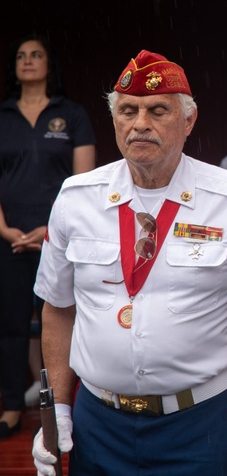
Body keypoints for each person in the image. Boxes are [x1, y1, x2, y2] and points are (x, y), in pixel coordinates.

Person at [31, 50, 227, 476]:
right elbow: (58, 308)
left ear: (188, 121)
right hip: (98, 422)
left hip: (200, 422)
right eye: (128, 110)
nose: (140, 124)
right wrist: (58, 405)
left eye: (157, 111)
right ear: (114, 120)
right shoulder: (76, 198)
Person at [0, 36, 96, 439]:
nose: (27, 61)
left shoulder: (72, 115)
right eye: (20, 55)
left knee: (64, 318)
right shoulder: (2, 115)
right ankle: (9, 406)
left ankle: (62, 403)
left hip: (60, 236)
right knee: (10, 324)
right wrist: (4, 228)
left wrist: (51, 231)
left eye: (36, 54)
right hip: (8, 236)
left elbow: (82, 181)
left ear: (49, 65)